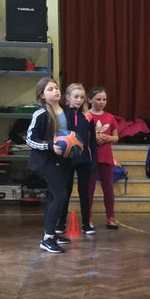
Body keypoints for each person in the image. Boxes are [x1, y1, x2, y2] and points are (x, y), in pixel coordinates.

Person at [25, 77, 70, 254]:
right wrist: (50, 146)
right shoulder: (41, 113)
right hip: (47, 161)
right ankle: (48, 238)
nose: (55, 91)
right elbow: (30, 139)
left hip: (63, 159)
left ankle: (50, 233)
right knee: (60, 195)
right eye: (50, 89)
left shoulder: (65, 111)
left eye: (57, 88)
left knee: (55, 196)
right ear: (42, 95)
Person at [58, 83, 96, 236]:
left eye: (81, 97)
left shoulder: (87, 117)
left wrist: (93, 161)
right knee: (64, 192)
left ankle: (86, 223)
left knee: (84, 192)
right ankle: (60, 223)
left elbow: (92, 141)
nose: (79, 100)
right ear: (67, 98)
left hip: (83, 160)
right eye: (76, 97)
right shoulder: (61, 115)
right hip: (66, 160)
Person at [86, 85, 120, 229]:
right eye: (98, 99)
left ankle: (111, 217)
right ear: (90, 100)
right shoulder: (86, 116)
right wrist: (92, 138)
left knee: (108, 189)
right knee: (89, 189)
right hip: (90, 158)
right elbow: (79, 136)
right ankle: (87, 219)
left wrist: (108, 138)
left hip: (106, 158)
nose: (101, 102)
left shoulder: (110, 117)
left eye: (104, 99)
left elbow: (116, 137)